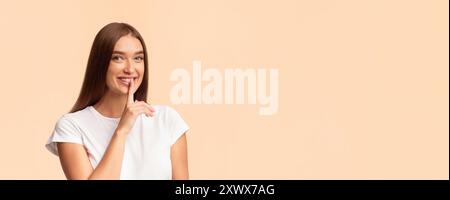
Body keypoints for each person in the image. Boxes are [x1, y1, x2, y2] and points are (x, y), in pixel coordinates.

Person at [45, 22, 189, 180]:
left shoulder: (167, 120)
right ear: (100, 64)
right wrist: (121, 131)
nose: (130, 68)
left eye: (138, 58)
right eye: (118, 58)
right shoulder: (72, 127)